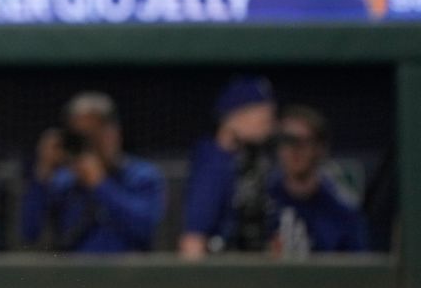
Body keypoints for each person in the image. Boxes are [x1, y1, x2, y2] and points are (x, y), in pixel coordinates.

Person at [22, 92, 165, 253]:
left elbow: (144, 229)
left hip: (127, 266)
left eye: (94, 136)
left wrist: (100, 184)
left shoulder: (142, 176)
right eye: (81, 138)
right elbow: (29, 233)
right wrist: (43, 174)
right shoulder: (64, 182)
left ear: (114, 133)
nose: (90, 146)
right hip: (74, 267)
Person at [180, 76, 277, 260]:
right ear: (234, 117)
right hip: (222, 269)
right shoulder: (214, 163)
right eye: (262, 119)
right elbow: (193, 241)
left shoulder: (255, 161)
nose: (269, 127)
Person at [268, 105, 368, 255]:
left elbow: (359, 263)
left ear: (320, 148)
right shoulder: (262, 203)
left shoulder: (342, 212)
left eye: (303, 142)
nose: (294, 150)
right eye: (287, 140)